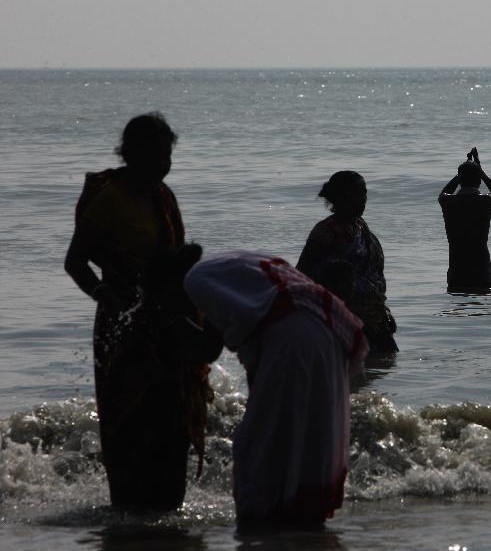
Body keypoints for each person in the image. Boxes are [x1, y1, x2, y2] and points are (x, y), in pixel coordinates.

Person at [64, 112, 219, 510]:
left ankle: (168, 512)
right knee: (130, 421)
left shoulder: (163, 195)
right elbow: (76, 262)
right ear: (132, 154)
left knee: (173, 418)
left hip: (168, 321)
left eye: (168, 156)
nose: (164, 164)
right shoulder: (110, 197)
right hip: (125, 326)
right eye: (157, 155)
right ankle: (130, 513)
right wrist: (103, 295)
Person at [183, 252, 368, 527]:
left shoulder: (196, 281)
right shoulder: (231, 269)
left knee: (260, 440)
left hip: (292, 340)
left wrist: (168, 322)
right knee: (306, 434)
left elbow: (210, 347)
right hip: (325, 333)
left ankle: (262, 521)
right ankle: (302, 515)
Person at [296, 170, 398, 353]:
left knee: (381, 366)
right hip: (341, 318)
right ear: (340, 197)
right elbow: (302, 272)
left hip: (372, 315)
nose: (363, 199)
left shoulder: (360, 226)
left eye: (365, 193)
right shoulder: (326, 231)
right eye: (357, 194)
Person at [438, 147, 491, 294]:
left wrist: (460, 175)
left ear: (460, 180)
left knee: (456, 309)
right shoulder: (487, 200)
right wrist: (482, 173)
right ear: (479, 180)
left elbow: (443, 193)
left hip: (457, 271)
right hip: (481, 270)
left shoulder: (448, 201)